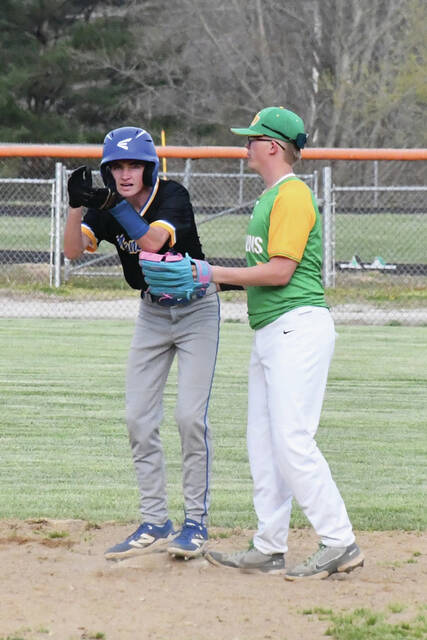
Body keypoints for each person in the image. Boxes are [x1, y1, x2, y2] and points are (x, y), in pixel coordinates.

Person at [203, 107, 364, 579]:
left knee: (292, 439)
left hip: (298, 327)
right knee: (264, 443)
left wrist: (213, 273)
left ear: (273, 146)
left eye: (252, 139)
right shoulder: (270, 197)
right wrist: (208, 280)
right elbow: (262, 272)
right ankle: (269, 546)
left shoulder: (292, 196)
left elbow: (280, 272)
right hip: (273, 329)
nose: (246, 146)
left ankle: (339, 540)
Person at [64, 126, 220, 560]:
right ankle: (154, 521)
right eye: (117, 166)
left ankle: (196, 523)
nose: (126, 173)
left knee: (190, 418)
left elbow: (153, 241)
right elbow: (73, 252)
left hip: (196, 310)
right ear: (108, 170)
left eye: (134, 165)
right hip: (152, 313)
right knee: (137, 419)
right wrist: (77, 206)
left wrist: (112, 204)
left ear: (149, 168)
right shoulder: (106, 206)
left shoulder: (172, 196)